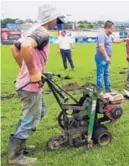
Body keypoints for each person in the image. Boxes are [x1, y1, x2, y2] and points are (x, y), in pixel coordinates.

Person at [8, 4, 64, 165]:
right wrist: (32, 72)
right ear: (51, 17)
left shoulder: (33, 29)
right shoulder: (42, 32)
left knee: (39, 112)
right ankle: (15, 157)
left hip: (27, 84)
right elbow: (24, 47)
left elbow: (15, 47)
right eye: (56, 18)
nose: (57, 21)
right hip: (29, 86)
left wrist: (29, 69)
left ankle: (21, 145)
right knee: (31, 118)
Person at [95, 20, 128, 92]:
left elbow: (115, 41)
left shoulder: (109, 35)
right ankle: (99, 91)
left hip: (107, 58)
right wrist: (106, 57)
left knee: (106, 73)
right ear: (108, 28)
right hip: (101, 57)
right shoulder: (102, 35)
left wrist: (124, 39)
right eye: (113, 28)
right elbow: (101, 46)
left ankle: (108, 89)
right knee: (100, 74)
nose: (113, 30)